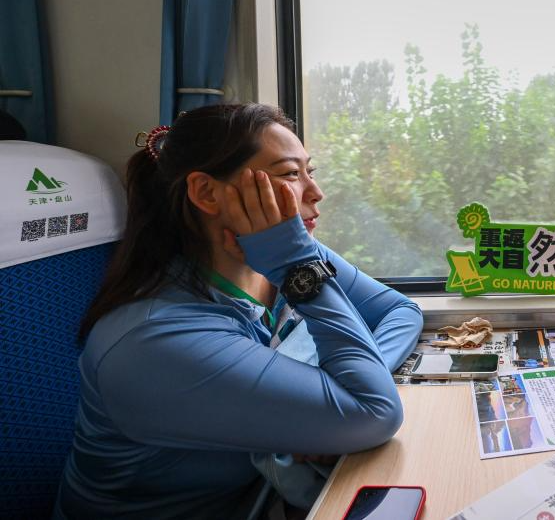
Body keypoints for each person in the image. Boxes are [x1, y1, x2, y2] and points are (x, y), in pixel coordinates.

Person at [54, 104, 423, 519]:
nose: (315, 193)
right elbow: (374, 413)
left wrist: (335, 392)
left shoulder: (282, 259)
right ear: (207, 193)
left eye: (309, 171)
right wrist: (338, 398)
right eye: (288, 174)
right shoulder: (155, 339)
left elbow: (400, 312)